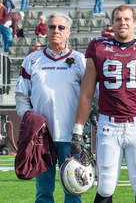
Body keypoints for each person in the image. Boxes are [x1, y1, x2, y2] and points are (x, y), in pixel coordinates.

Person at [71, 4, 136, 203]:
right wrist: (77, 130)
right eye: (118, 19)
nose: (122, 23)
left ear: (134, 23)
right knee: (105, 186)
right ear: (112, 23)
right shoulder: (98, 47)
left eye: (126, 19)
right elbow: (87, 93)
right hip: (108, 124)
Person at [14, 11, 88, 203]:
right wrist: (31, 120)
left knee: (73, 192)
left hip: (72, 136)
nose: (56, 30)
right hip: (41, 138)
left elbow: (91, 95)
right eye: (52, 27)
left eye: (61, 27)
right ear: (46, 31)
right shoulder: (32, 60)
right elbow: (22, 95)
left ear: (68, 32)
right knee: (43, 193)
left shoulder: (79, 60)